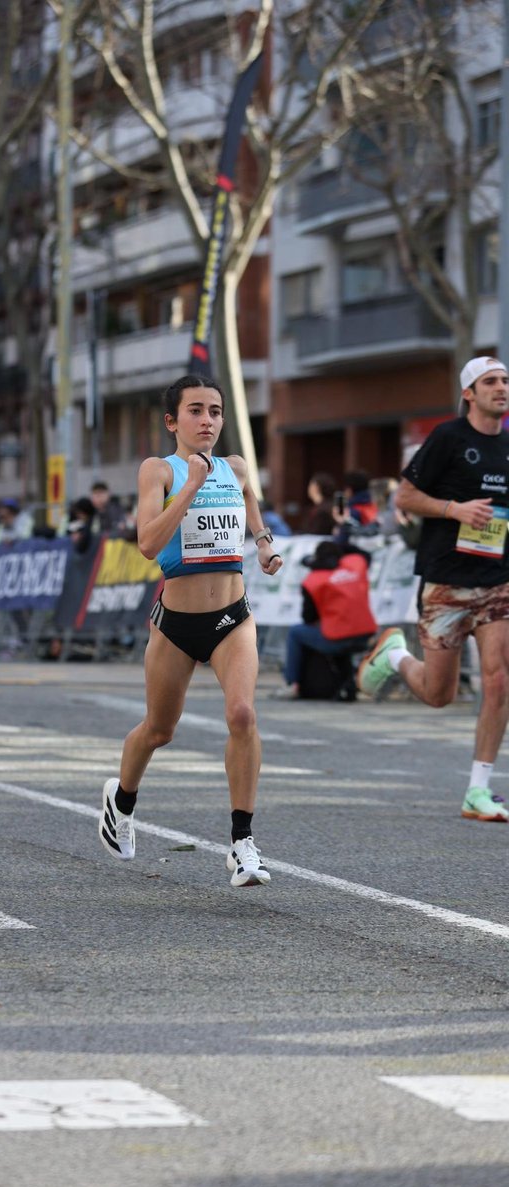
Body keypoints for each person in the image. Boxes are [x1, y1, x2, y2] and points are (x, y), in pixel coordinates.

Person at [98, 373, 283, 887]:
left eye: (215, 411)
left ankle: (242, 843)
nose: (207, 421)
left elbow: (251, 505)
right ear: (172, 421)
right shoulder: (158, 470)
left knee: (242, 714)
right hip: (176, 624)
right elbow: (148, 543)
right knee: (160, 730)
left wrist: (264, 542)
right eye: (196, 411)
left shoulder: (236, 467)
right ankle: (121, 800)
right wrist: (192, 485)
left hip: (231, 617)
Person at [357, 356, 509, 823]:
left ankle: (478, 789)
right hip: (446, 580)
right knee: (439, 693)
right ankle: (396, 657)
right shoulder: (448, 438)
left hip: (497, 580)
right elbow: (404, 497)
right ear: (469, 393)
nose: (501, 388)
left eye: (505, 380)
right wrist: (454, 510)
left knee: (499, 678)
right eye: (490, 381)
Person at [275, 540, 376, 700]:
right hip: (366, 633)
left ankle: (291, 684)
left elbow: (309, 618)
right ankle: (348, 685)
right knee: (338, 633)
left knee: (295, 632)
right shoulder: (356, 563)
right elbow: (364, 554)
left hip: (337, 637)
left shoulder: (313, 580)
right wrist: (341, 540)